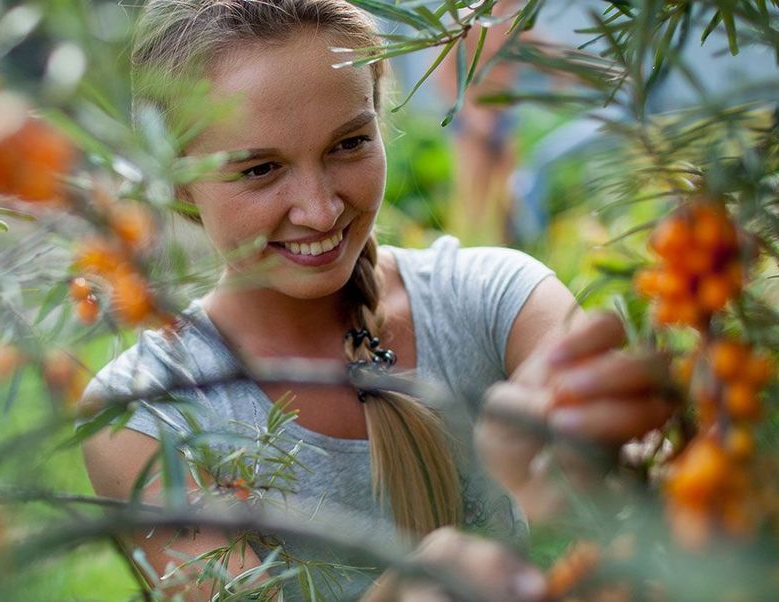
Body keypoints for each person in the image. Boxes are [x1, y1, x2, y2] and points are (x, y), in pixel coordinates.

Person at [81, 1, 672, 600]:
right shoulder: (143, 417)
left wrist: (601, 458)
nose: (320, 210)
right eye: (259, 170)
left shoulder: (497, 301)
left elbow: (668, 492)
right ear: (176, 175)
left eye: (349, 144)